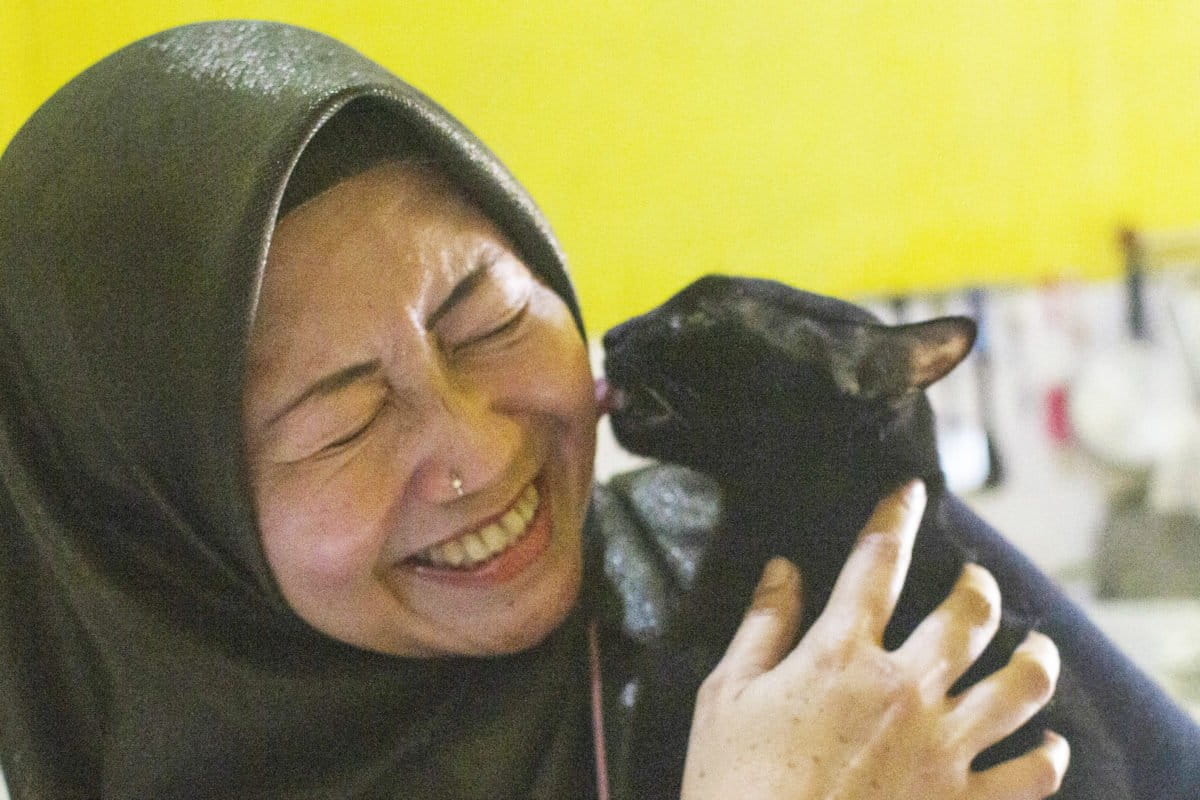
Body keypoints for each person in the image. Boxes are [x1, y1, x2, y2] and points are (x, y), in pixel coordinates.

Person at [0, 20, 1195, 799]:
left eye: (489, 323)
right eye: (343, 422)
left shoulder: (816, 578)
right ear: (158, 521)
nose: (480, 447)